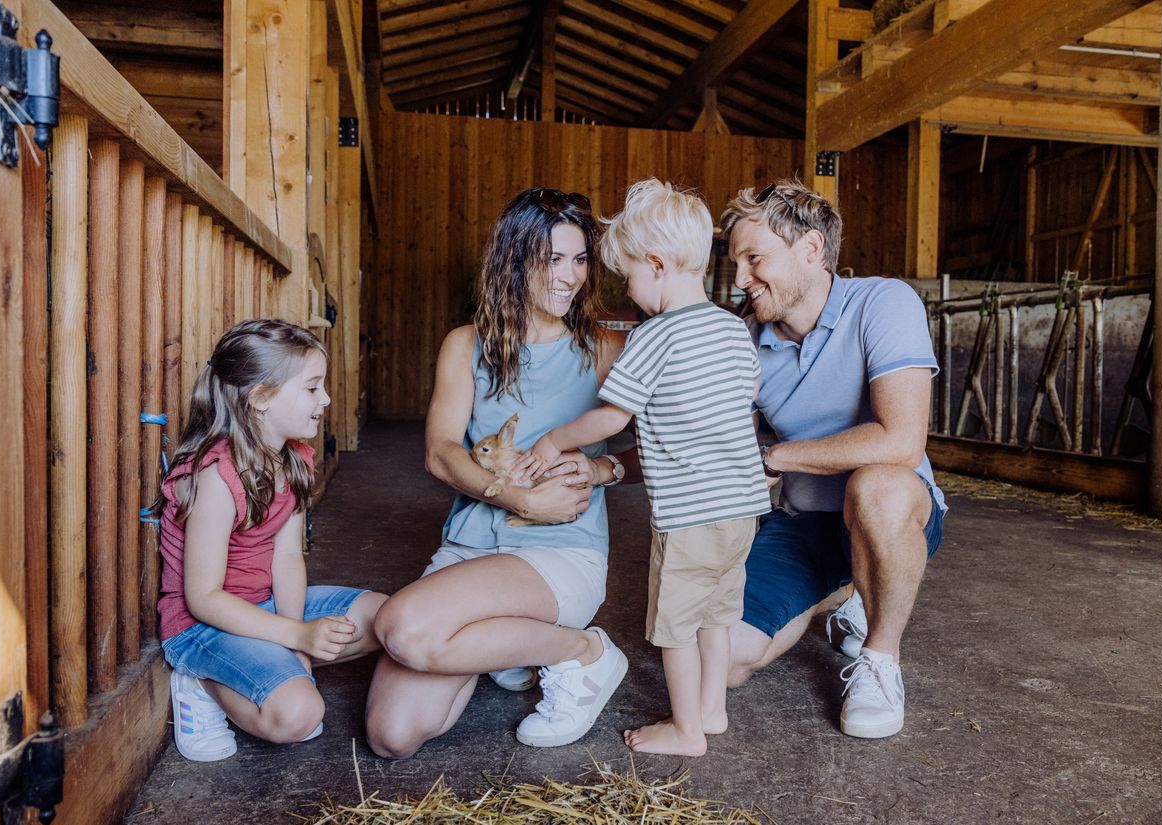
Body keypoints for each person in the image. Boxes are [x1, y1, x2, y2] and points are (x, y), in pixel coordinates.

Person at [365, 188, 636, 759]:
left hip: (562, 550)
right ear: (515, 261)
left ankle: (583, 651)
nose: (570, 277)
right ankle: (512, 649)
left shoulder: (609, 349)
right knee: (393, 736)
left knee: (407, 628)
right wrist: (517, 498)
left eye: (580, 259)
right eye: (552, 260)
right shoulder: (465, 346)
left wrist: (602, 466)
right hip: (470, 545)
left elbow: (665, 452)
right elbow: (440, 452)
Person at [519, 179, 770, 757]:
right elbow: (747, 395)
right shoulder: (734, 330)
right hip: (742, 511)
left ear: (656, 264)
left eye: (629, 274)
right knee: (716, 614)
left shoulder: (656, 335)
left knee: (676, 627)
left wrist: (556, 439)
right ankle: (712, 710)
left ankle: (685, 731)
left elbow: (612, 419)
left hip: (689, 516)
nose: (628, 288)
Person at [720, 179, 946, 739]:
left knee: (877, 488)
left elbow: (901, 441)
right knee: (724, 660)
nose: (740, 279)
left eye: (754, 259)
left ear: (812, 249)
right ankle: (847, 591)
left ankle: (880, 659)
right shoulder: (744, 339)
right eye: (735, 263)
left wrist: (781, 456)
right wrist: (606, 460)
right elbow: (722, 440)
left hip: (891, 512)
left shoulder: (883, 302)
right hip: (804, 522)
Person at [157, 319, 388, 762]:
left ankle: (270, 663)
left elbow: (287, 559)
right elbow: (203, 598)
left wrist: (294, 635)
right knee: (301, 715)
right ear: (260, 398)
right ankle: (200, 684)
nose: (326, 399)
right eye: (312, 388)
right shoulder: (216, 477)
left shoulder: (294, 457)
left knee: (391, 619)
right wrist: (297, 635)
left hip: (261, 608)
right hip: (201, 626)